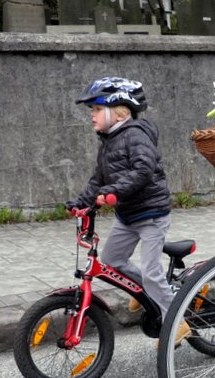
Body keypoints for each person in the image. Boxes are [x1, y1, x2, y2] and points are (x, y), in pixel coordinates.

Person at [66, 76, 191, 345]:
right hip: (128, 215)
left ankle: (178, 321)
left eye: (97, 109)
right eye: (92, 110)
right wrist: (81, 203)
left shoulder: (135, 135)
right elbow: (98, 180)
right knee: (112, 260)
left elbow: (143, 170)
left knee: (151, 271)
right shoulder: (108, 141)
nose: (92, 115)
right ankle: (145, 291)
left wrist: (115, 192)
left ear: (119, 110)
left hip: (152, 214)